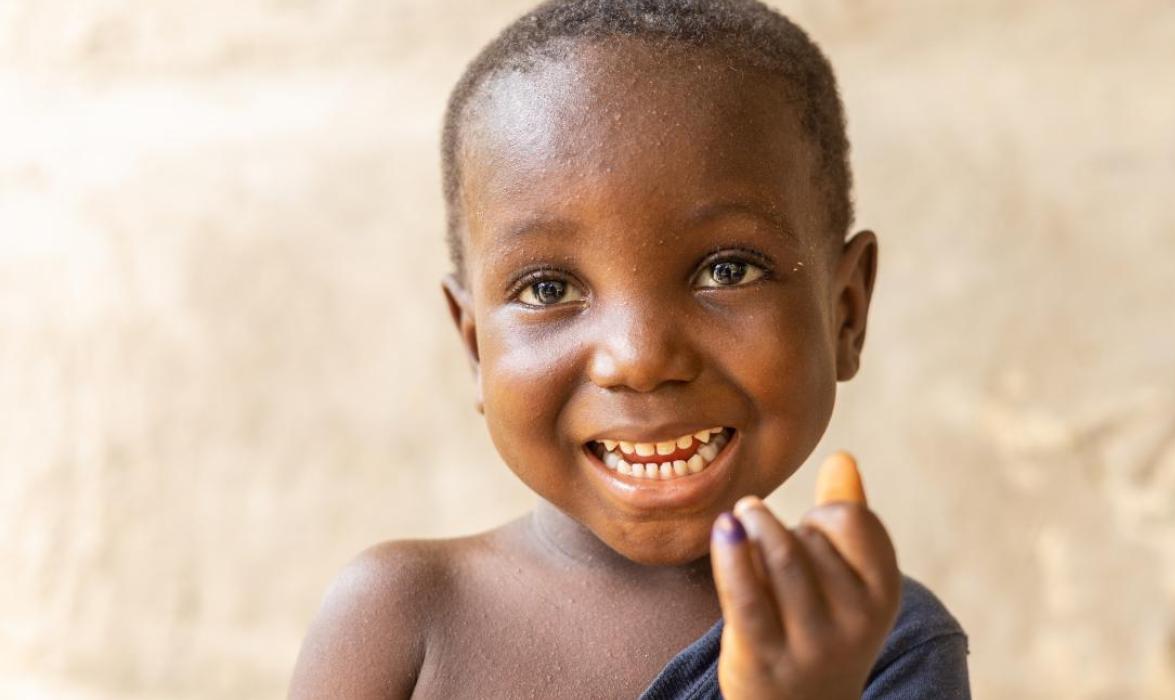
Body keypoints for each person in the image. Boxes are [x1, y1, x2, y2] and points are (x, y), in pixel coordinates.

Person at [289, 1, 970, 697]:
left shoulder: (876, 639)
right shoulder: (400, 617)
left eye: (726, 271)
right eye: (549, 287)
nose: (640, 358)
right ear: (474, 348)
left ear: (845, 311)